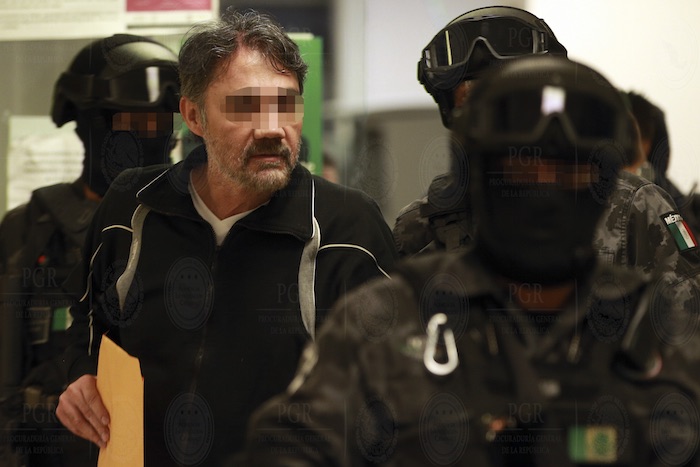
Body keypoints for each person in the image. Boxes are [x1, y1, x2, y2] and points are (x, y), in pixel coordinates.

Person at [242, 55, 700, 467]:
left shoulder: (664, 333)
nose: (544, 192)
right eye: (520, 169)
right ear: (477, 176)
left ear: (603, 186)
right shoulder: (386, 321)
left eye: (568, 171)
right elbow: (292, 448)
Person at [55, 9, 397, 466]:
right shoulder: (131, 207)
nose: (272, 128)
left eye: (286, 104)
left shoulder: (346, 227)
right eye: (244, 107)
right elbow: (88, 319)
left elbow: (392, 388)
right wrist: (79, 374)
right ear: (194, 116)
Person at [0, 34, 180, 467]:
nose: (149, 136)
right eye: (128, 121)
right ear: (85, 124)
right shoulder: (30, 228)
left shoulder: (192, 226)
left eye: (160, 122)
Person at [392, 5, 568, 255]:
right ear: (454, 117)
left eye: (509, 103)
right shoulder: (419, 228)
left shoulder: (618, 211)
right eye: (474, 107)